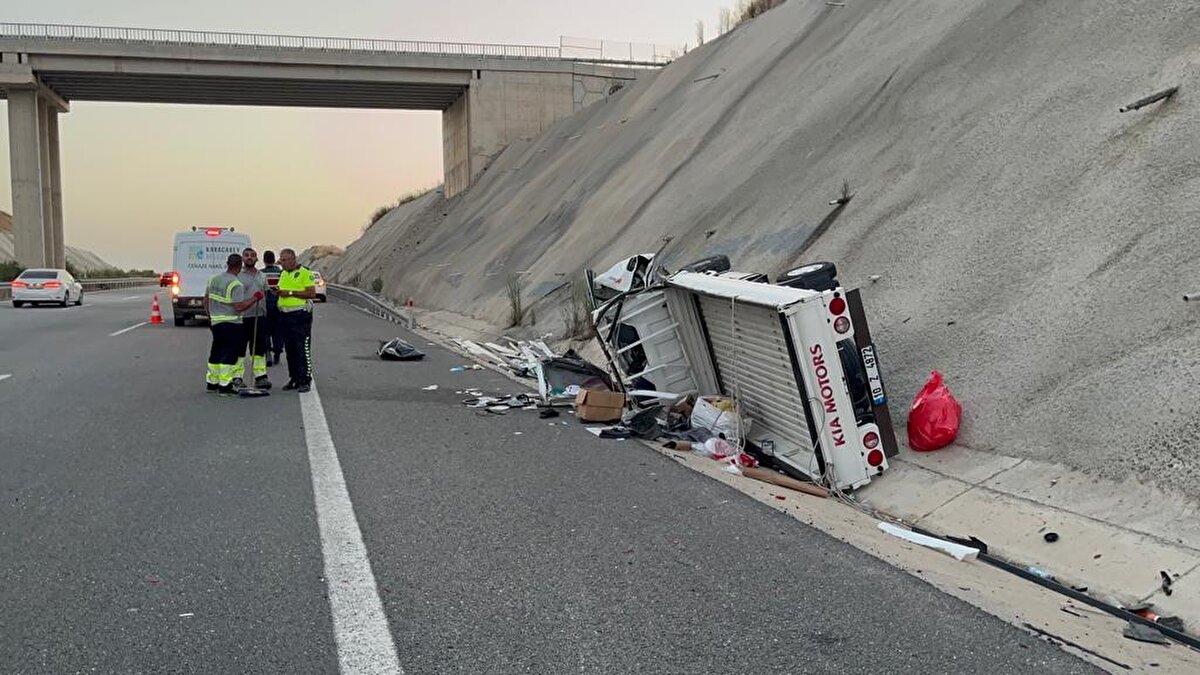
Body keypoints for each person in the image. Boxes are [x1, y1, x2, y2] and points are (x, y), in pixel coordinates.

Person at [204, 254, 264, 395]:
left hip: (215, 321)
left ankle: (212, 382)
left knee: (216, 353)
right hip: (231, 322)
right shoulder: (235, 284)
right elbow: (239, 306)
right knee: (230, 354)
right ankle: (225, 385)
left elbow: (206, 299)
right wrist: (255, 298)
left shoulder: (213, 279)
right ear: (239, 265)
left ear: (227, 263)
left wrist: (209, 315)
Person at [273, 248, 317, 393]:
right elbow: (283, 290)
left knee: (302, 348)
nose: (282, 263)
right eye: (281, 260)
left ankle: (305, 379)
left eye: (285, 260)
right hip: (285, 315)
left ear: (293, 259)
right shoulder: (283, 274)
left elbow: (311, 293)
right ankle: (294, 378)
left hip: (300, 315)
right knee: (290, 348)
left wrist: (290, 293)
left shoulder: (305, 273)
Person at [235, 247, 272, 390]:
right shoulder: (238, 276)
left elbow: (266, 293)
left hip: (259, 316)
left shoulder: (262, 276)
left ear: (257, 259)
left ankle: (261, 376)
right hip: (242, 317)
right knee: (239, 349)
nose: (249, 258)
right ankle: (237, 377)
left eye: (252, 255)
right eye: (246, 255)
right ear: (243, 259)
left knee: (259, 348)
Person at [260, 250, 284, 366]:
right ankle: (277, 354)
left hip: (265, 306)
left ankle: (267, 353)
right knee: (278, 331)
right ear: (274, 260)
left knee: (265, 332)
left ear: (264, 260)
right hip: (279, 306)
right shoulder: (281, 273)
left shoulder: (260, 274)